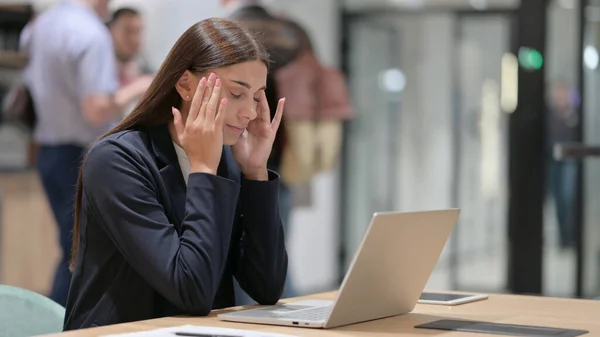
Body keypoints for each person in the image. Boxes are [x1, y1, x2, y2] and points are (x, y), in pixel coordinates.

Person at [62, 17, 288, 330]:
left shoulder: (226, 158)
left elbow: (267, 286)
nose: (250, 112)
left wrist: (256, 172)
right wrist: (204, 171)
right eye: (237, 94)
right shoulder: (116, 160)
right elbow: (191, 291)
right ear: (184, 84)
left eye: (256, 96)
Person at [21, 0, 152, 307]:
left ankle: (57, 321)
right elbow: (95, 109)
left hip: (48, 151)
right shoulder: (91, 34)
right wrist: (140, 87)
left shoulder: (38, 25)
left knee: (75, 247)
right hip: (79, 156)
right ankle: (61, 323)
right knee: (83, 250)